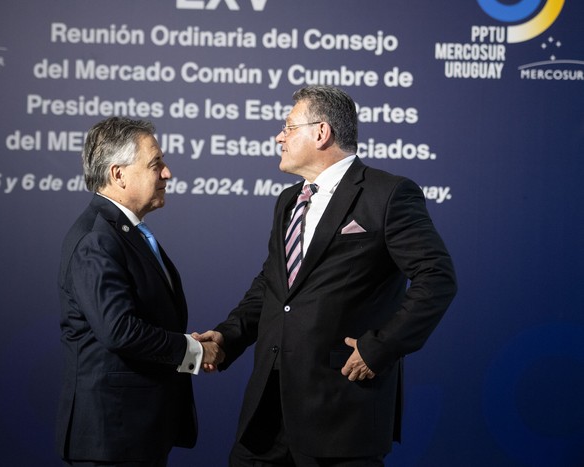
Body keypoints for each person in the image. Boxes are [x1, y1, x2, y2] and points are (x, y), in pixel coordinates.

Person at [195, 85, 457, 466]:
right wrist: (228, 336)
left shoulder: (387, 194)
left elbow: (437, 277)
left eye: (288, 127)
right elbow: (273, 285)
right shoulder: (288, 200)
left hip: (341, 415)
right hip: (267, 415)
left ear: (321, 133)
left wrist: (380, 347)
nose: (278, 136)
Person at [56, 117, 223, 467]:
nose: (167, 174)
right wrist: (192, 349)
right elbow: (119, 330)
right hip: (111, 440)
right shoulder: (97, 240)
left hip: (135, 436)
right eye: (155, 164)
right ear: (118, 174)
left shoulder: (123, 232)